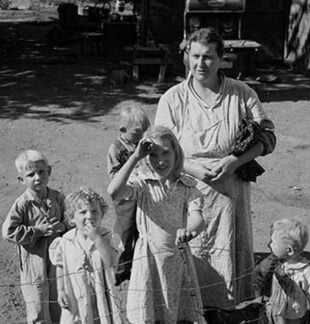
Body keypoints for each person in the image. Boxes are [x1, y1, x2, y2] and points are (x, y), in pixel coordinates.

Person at [155, 27, 276, 309]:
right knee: (190, 257)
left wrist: (237, 160)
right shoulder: (173, 99)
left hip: (230, 197)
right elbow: (160, 151)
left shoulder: (241, 93)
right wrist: (194, 169)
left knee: (227, 262)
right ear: (186, 56)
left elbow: (268, 137)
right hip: (187, 192)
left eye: (208, 57)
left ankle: (225, 312)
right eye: (194, 56)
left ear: (222, 59)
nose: (200, 63)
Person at [107, 125, 206, 323]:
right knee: (149, 312)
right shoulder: (143, 183)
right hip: (149, 257)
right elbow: (114, 191)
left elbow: (198, 218)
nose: (160, 161)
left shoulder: (186, 185)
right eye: (153, 155)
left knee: (177, 312)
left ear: (176, 152)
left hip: (177, 259)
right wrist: (135, 157)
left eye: (166, 152)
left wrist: (189, 231)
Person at [2, 149, 68, 324]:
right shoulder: (22, 204)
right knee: (38, 306)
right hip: (34, 263)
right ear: (21, 180)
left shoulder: (57, 198)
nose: (38, 177)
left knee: (60, 302)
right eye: (31, 174)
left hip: (57, 261)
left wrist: (63, 226)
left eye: (42, 172)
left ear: (49, 171)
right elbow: (8, 231)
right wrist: (37, 231)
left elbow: (70, 220)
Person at [49, 188, 124, 324]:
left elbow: (112, 261)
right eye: (83, 212)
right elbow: (60, 265)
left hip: (102, 294)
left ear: (102, 215)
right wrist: (60, 290)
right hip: (76, 296)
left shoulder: (107, 238)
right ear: (72, 218)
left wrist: (97, 239)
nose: (89, 216)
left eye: (94, 211)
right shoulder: (66, 241)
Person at [107, 106, 150, 285]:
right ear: (123, 130)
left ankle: (138, 266)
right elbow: (114, 176)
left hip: (142, 195)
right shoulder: (116, 149)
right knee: (124, 233)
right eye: (136, 133)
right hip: (125, 199)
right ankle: (118, 269)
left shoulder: (142, 144)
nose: (140, 137)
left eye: (143, 133)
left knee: (142, 232)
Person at [253, 219, 310, 324]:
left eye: (273, 242)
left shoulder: (305, 271)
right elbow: (258, 276)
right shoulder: (273, 261)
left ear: (289, 250)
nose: (269, 245)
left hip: (293, 314)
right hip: (273, 309)